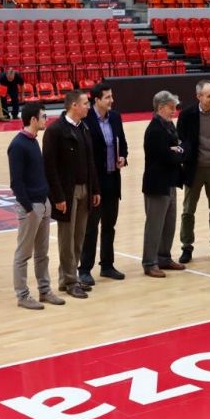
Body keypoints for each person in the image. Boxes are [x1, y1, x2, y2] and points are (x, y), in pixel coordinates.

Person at [43, 90, 101, 299]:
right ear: (74, 106)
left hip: (85, 189)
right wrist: (58, 197)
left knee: (79, 237)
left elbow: (90, 162)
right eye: (85, 103)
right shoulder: (55, 131)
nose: (88, 106)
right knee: (66, 239)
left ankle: (70, 277)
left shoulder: (84, 128)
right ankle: (69, 280)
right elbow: (49, 168)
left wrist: (95, 189)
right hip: (67, 192)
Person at [7, 103, 65, 310]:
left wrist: (47, 200)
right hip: (31, 207)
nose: (46, 119)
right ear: (32, 120)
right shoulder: (18, 145)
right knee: (23, 254)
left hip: (43, 203)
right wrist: (29, 208)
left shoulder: (33, 142)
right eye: (43, 116)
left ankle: (44, 290)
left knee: (43, 252)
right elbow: (16, 182)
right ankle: (22, 295)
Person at [79, 83, 128, 286]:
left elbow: (122, 143)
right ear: (96, 100)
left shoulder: (115, 117)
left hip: (112, 179)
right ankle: (84, 269)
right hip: (95, 182)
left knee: (109, 225)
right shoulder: (86, 120)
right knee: (91, 227)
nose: (111, 100)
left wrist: (123, 157)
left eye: (111, 96)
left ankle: (107, 265)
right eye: (107, 97)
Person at [177, 79, 210, 263]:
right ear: (199, 97)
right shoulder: (186, 115)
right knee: (188, 211)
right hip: (194, 169)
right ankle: (186, 247)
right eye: (209, 96)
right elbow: (181, 139)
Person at [142, 91, 186, 277]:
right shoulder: (154, 130)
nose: (174, 111)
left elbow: (179, 149)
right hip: (157, 185)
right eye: (171, 107)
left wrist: (177, 150)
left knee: (169, 223)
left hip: (170, 182)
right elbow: (166, 156)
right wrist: (176, 152)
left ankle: (164, 257)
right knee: (155, 225)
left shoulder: (169, 126)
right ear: (160, 108)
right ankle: (149, 262)